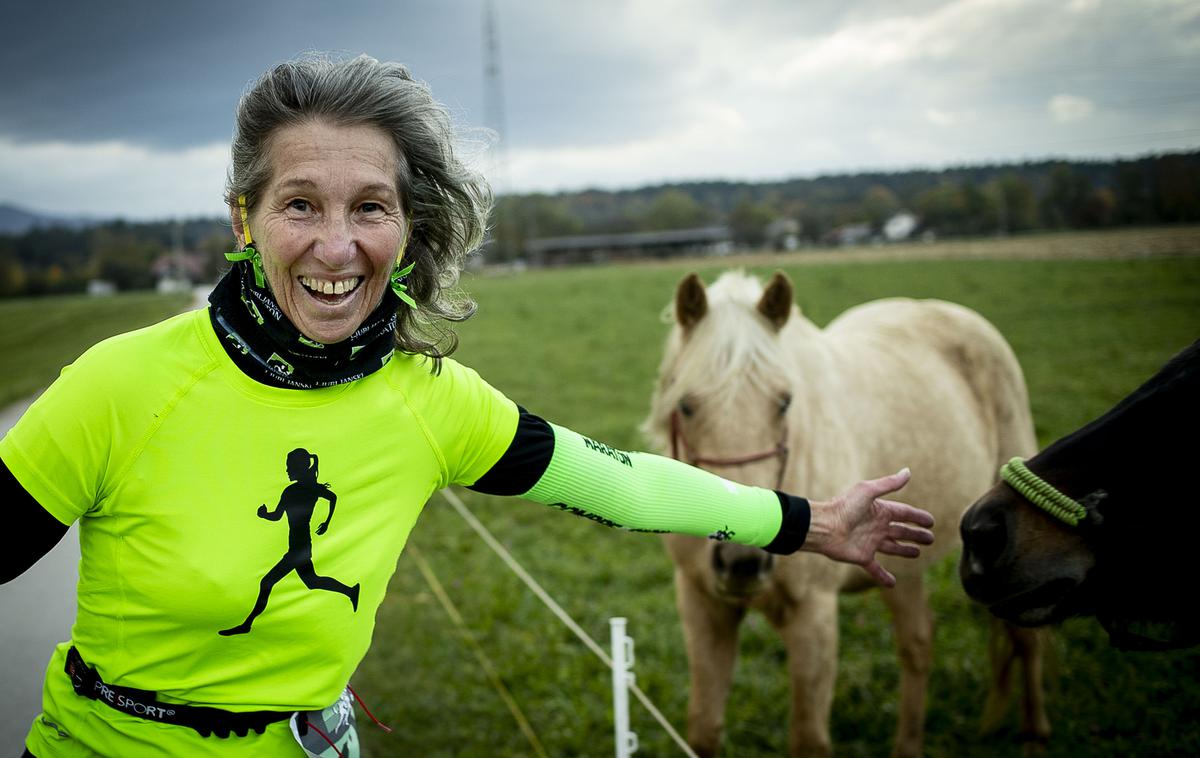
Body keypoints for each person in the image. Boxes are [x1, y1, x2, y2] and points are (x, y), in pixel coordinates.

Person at [0, 53, 935, 757]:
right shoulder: (120, 384)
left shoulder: (429, 403)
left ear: (409, 230)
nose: (337, 247)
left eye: (370, 207)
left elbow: (624, 486)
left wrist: (805, 522)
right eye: (299, 205)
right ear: (244, 219)